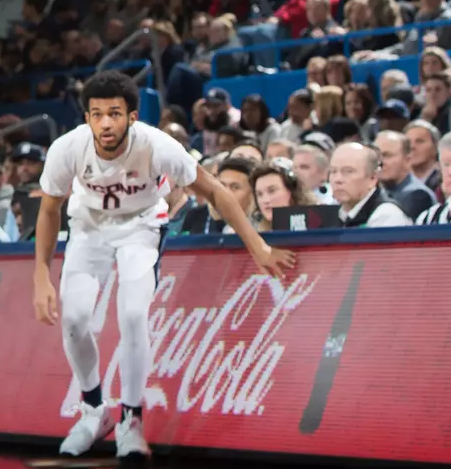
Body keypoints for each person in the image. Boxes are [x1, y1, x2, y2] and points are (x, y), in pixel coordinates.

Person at [33, 71, 293, 461]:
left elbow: (215, 190)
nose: (106, 123)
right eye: (98, 114)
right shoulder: (66, 149)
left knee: (134, 315)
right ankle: (93, 410)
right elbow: (49, 208)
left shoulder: (158, 145)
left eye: (115, 114)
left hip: (140, 226)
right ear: (86, 118)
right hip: (88, 229)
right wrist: (40, 274)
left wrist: (257, 246)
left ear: (132, 117)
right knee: (74, 320)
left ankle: (132, 420)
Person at [329, 144, 412, 227]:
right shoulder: (335, 215)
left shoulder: (387, 215)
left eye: (348, 171)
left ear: (372, 178)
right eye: (333, 171)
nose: (337, 179)